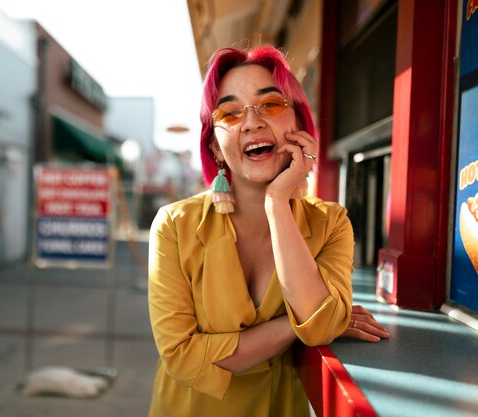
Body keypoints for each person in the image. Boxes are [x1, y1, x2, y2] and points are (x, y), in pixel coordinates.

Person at [147, 45, 390, 417]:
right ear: (214, 145)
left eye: (271, 105)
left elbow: (320, 322)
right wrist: (298, 326)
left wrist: (277, 201)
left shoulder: (331, 223)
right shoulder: (173, 226)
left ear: (298, 127)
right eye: (230, 112)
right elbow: (181, 357)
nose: (252, 122)